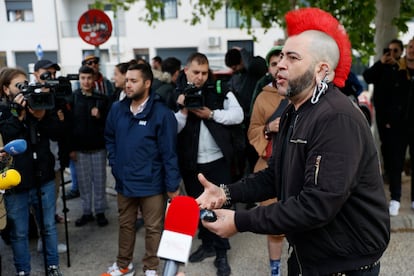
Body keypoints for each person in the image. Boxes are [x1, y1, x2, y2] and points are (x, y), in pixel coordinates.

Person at [196, 7, 390, 276]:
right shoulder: (293, 111)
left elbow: (316, 205)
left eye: (292, 57)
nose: (280, 64)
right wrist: (226, 193)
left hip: (344, 266)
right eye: (281, 56)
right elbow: (275, 175)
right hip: (306, 257)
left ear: (322, 70)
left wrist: (240, 220)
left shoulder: (336, 118)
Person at [103, 63, 181, 276]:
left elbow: (169, 153)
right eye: (127, 80)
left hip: (152, 183)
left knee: (153, 228)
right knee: (125, 225)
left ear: (147, 83)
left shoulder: (162, 114)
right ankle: (123, 265)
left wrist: (172, 185)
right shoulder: (117, 109)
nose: (127, 85)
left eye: (133, 81)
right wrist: (115, 161)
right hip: (124, 181)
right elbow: (109, 137)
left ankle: (151, 268)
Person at [175, 52, 243, 276]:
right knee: (198, 207)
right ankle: (206, 244)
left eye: (204, 73)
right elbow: (172, 129)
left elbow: (238, 115)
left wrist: (211, 114)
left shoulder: (219, 89)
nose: (200, 77)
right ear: (186, 71)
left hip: (218, 161)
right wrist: (184, 107)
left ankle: (222, 253)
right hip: (191, 163)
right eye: (196, 72)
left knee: (221, 207)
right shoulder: (176, 94)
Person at [0, 67, 64, 276]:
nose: (23, 89)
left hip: (43, 176)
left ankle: (52, 267)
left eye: (25, 84)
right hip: (16, 183)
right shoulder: (3, 111)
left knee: (48, 226)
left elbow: (57, 132)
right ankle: (23, 271)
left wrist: (42, 115)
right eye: (18, 86)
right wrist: (17, 116)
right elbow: (8, 138)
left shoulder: (38, 103)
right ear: (5, 89)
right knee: (19, 232)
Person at [247, 45, 286, 276]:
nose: (279, 67)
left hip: (299, 168)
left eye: (283, 60)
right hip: (270, 165)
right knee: (275, 225)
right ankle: (275, 269)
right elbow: (252, 130)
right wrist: (269, 128)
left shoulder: (301, 92)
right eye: (274, 63)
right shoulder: (262, 96)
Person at [32, 59, 68, 254]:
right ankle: (42, 240)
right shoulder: (28, 95)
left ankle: (47, 241)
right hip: (34, 162)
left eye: (53, 74)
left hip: (54, 160)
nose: (50, 78)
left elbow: (60, 130)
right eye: (46, 73)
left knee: (51, 203)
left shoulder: (56, 98)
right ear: (36, 74)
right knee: (37, 206)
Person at [68, 65, 109, 227]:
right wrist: (70, 148)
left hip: (98, 147)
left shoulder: (101, 99)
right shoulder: (72, 98)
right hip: (79, 149)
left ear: (94, 79)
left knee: (100, 181)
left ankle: (100, 211)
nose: (86, 81)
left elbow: (108, 124)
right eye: (83, 78)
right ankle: (86, 212)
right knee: (84, 183)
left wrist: (99, 116)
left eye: (89, 78)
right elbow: (68, 126)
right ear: (79, 79)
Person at [363, 39, 404, 184]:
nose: (391, 54)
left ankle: (396, 174)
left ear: (401, 52)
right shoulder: (381, 67)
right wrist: (380, 63)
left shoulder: (403, 68)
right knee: (385, 146)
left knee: (397, 148)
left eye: (395, 51)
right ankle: (388, 173)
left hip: (400, 117)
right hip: (383, 117)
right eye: (389, 50)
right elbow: (367, 77)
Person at [224, 47, 267, 179]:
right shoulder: (236, 78)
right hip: (240, 128)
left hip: (256, 123)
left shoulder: (254, 70)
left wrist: (242, 51)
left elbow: (255, 65)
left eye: (235, 66)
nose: (233, 69)